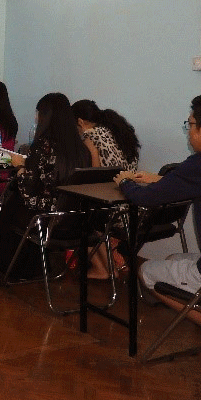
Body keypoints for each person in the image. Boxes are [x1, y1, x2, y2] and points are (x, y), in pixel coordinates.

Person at [114, 92, 201, 384]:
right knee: (175, 261)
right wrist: (157, 178)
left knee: (147, 272)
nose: (188, 131)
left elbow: (147, 200)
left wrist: (126, 183)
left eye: (190, 124)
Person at [0, 92, 90, 278]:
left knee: (9, 204)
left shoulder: (43, 146)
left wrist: (20, 166)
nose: (36, 117)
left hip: (44, 219)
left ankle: (8, 265)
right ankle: (34, 263)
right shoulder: (82, 150)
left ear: (46, 117)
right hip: (76, 221)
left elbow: (28, 195)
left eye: (38, 113)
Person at [71, 99, 140, 279]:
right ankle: (115, 260)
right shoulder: (119, 133)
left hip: (112, 209)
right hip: (132, 204)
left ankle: (104, 269)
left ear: (79, 122)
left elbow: (93, 178)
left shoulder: (90, 137)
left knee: (79, 215)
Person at [71, 99, 139, 171]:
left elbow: (94, 171)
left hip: (110, 181)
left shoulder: (90, 135)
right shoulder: (114, 130)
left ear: (80, 122)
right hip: (129, 181)